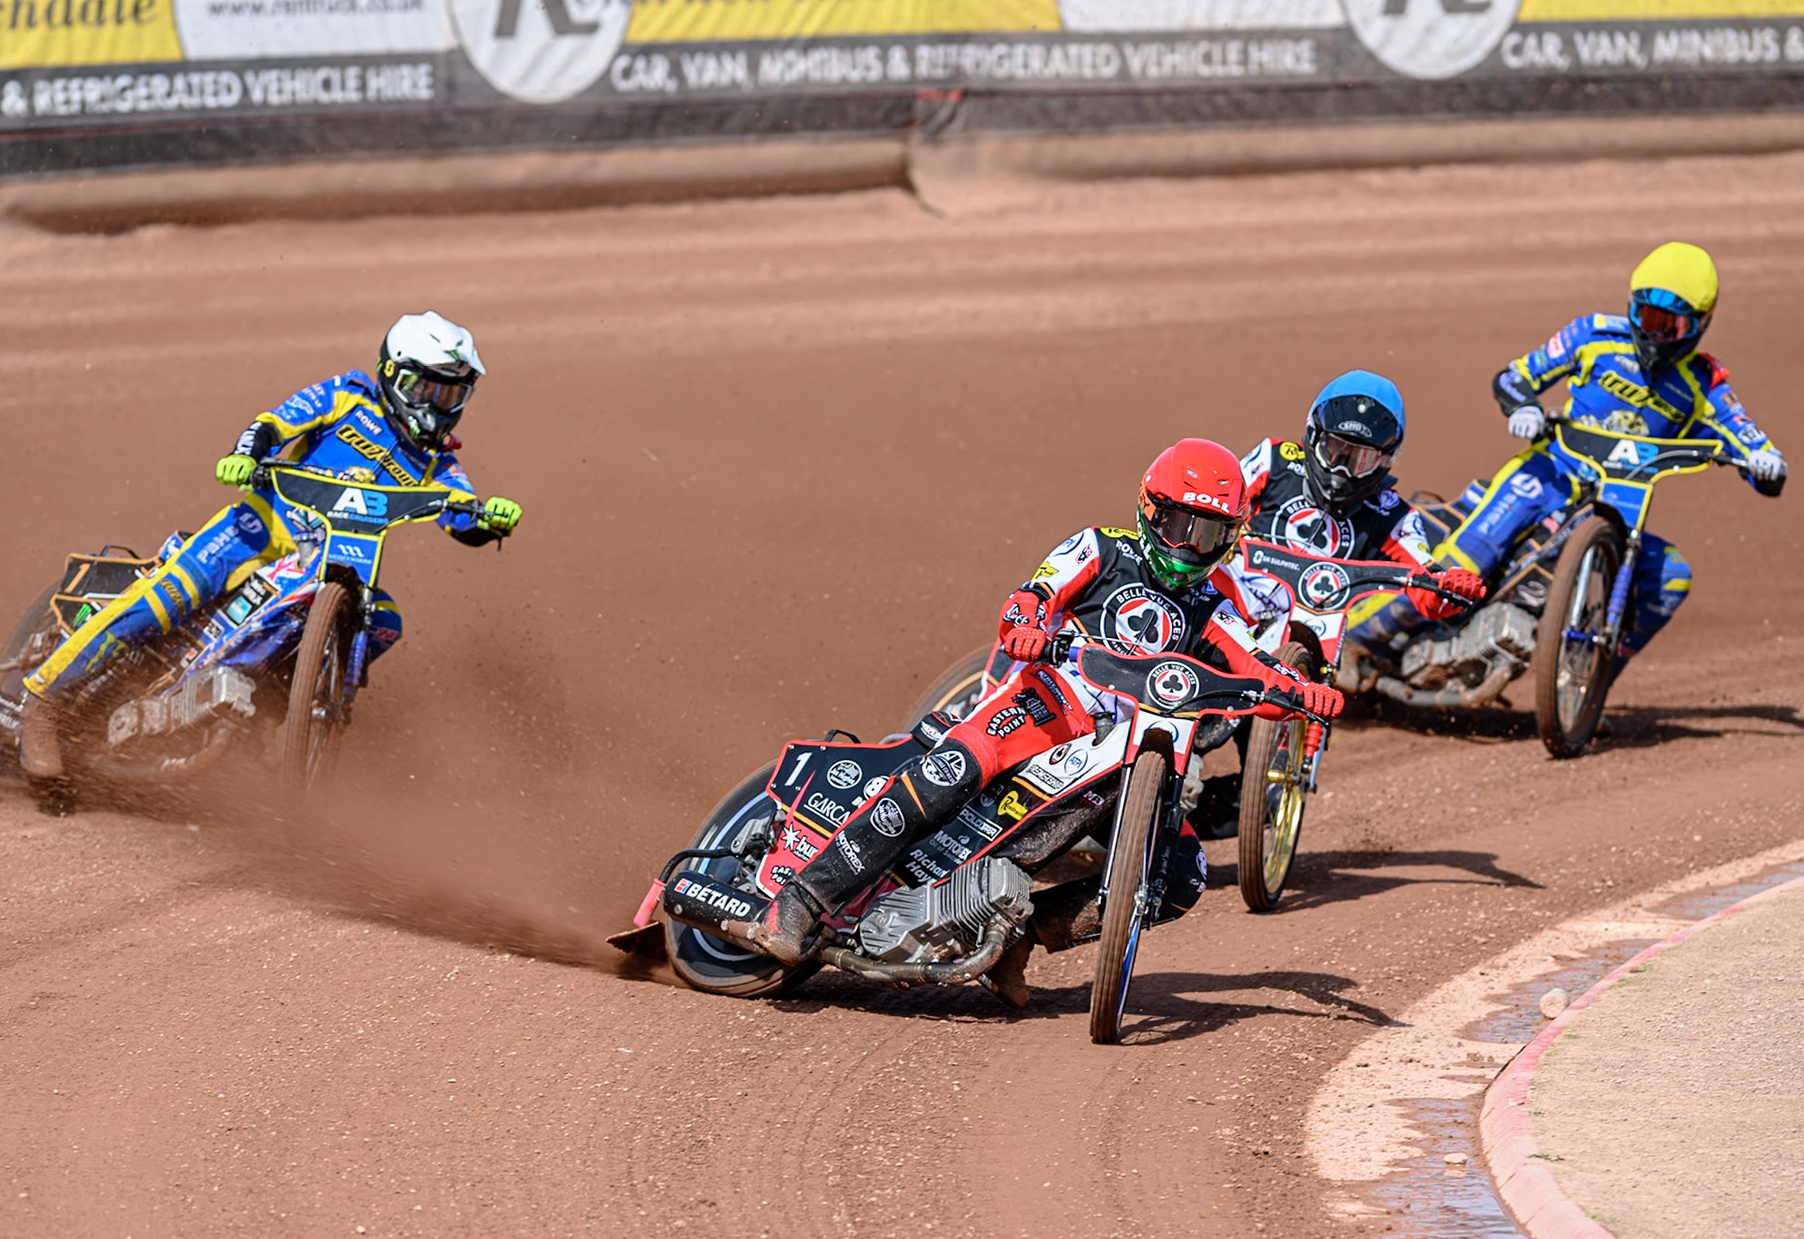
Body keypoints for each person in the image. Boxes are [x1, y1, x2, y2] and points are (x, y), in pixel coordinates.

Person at [723, 439, 1344, 987]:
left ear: (1229, 539)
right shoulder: (1099, 548)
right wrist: (1025, 627)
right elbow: (1032, 595)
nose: (1189, 546)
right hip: (1050, 703)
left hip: (1138, 750)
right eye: (1179, 524)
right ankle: (801, 902)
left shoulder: (1218, 601)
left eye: (1208, 533)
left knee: (1180, 880)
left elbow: (1256, 665)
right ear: (1150, 510)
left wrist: (1301, 691)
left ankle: (1019, 940)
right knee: (952, 771)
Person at [18, 311, 522, 779]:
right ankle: (44, 701)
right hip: (257, 531)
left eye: (451, 396)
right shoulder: (349, 396)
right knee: (165, 598)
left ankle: (271, 714)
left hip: (336, 564)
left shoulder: (437, 465)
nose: (437, 407)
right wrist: (244, 456)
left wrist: (489, 520)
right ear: (392, 374)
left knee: (384, 621)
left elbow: (462, 517)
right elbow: (273, 423)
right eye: (426, 388)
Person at [1355, 242, 1784, 657]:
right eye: (1646, 317)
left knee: (1670, 578)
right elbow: (1515, 377)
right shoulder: (1593, 335)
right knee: (1467, 557)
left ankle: (1587, 690)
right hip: (1548, 473)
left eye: (1669, 326)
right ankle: (1357, 641)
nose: (1654, 334)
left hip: (1620, 503)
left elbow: (1749, 440)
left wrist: (1765, 464)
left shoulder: (1704, 383)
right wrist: (1524, 407)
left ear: (1699, 325)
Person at [1192, 371, 1484, 834]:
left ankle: (1184, 819)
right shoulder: (1274, 460)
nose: (1343, 468)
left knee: (1268, 801)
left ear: (1385, 461)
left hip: (1303, 642)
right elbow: (1221, 500)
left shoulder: (1392, 514)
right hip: (1221, 612)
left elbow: (1424, 579)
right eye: (1335, 451)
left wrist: (1448, 590)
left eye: (1361, 458)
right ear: (1312, 437)